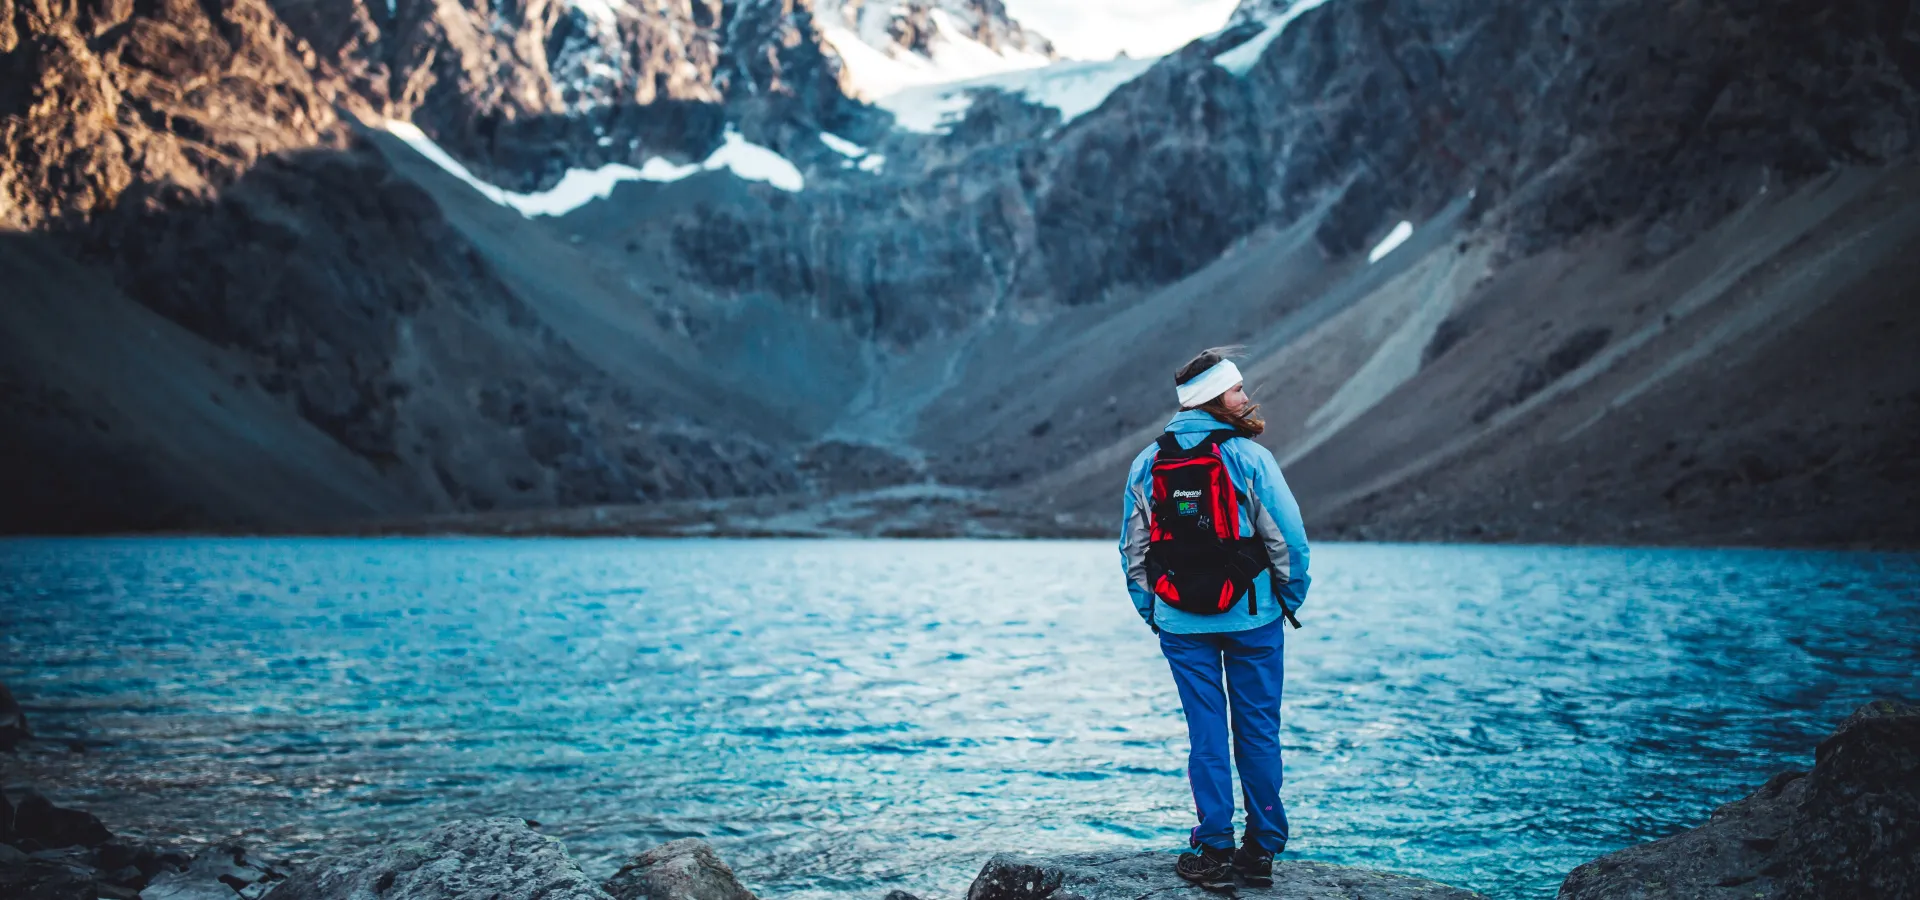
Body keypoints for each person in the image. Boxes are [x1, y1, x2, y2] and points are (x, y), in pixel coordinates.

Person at [1118, 347, 1311, 890]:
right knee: (1258, 731)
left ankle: (1214, 846)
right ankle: (1261, 850)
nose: (1245, 397)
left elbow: (1132, 550)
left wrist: (1154, 611)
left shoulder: (1146, 462)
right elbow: (1288, 541)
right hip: (1254, 619)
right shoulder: (1250, 458)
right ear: (1211, 398)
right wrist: (1288, 599)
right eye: (1235, 390)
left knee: (1205, 734)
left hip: (1180, 622)